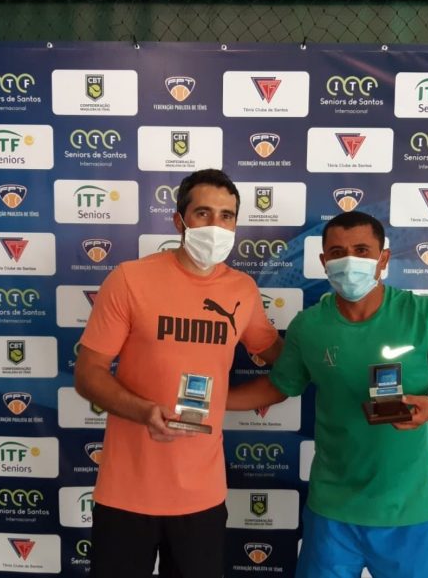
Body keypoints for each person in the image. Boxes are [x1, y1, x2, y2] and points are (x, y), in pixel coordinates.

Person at [227, 210, 428, 578]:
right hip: (332, 513)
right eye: (337, 252)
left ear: (383, 258)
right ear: (324, 261)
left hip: (407, 511)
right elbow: (278, 387)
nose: (349, 261)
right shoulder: (308, 325)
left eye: (362, 250)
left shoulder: (423, 315)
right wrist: (209, 403)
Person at [74, 168, 283, 578]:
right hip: (126, 493)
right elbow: (88, 374)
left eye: (226, 215)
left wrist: (337, 350)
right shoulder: (130, 279)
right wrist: (143, 411)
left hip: (201, 497)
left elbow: (284, 363)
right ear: (179, 220)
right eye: (203, 213)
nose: (216, 225)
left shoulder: (242, 290)